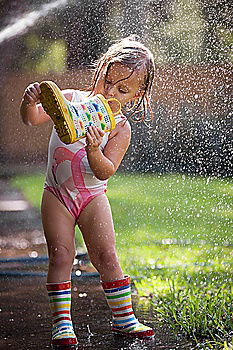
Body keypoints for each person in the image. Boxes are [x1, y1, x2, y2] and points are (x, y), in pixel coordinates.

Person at [20, 35, 155, 349]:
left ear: (135, 96)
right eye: (108, 81)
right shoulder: (68, 99)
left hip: (93, 197)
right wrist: (29, 103)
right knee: (60, 254)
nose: (110, 92)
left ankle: (124, 319)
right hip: (57, 194)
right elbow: (33, 119)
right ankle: (62, 324)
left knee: (106, 255)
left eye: (122, 90)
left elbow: (106, 169)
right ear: (101, 69)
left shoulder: (120, 126)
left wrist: (95, 148)